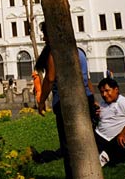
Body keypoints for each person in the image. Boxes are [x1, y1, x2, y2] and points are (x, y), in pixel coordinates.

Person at [34, 22, 97, 178]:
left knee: (68, 145)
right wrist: (92, 99)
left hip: (65, 102)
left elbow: (50, 78)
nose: (44, 38)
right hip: (85, 98)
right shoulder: (79, 51)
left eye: (46, 34)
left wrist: (42, 101)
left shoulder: (55, 53)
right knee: (85, 140)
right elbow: (87, 79)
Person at [94, 77, 125, 167]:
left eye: (107, 91)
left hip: (113, 140)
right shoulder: (102, 103)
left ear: (116, 89)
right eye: (102, 92)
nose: (104, 94)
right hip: (98, 135)